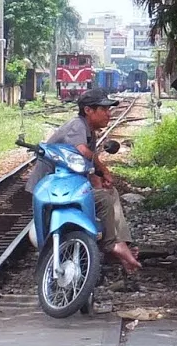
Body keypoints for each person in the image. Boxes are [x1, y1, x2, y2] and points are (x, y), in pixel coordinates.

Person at [28, 88, 142, 275]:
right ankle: (114, 245)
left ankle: (121, 243)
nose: (108, 114)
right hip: (55, 187)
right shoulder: (77, 125)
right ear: (88, 110)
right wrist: (103, 169)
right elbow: (82, 152)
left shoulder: (90, 132)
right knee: (105, 200)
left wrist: (100, 181)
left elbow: (84, 166)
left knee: (109, 194)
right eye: (103, 109)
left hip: (69, 186)